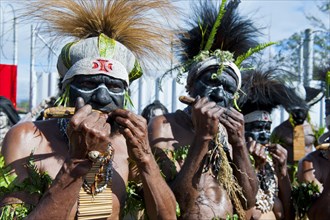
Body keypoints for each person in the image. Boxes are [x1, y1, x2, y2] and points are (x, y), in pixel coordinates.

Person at [0, 1, 176, 219]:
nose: (102, 98)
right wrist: (77, 160)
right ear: (66, 91)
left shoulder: (130, 146)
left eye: (113, 87)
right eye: (88, 84)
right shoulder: (28, 138)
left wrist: (145, 158)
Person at [148, 1, 263, 219]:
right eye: (211, 82)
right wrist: (203, 136)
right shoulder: (163, 125)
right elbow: (176, 204)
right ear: (190, 86)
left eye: (228, 88)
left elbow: (248, 200)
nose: (219, 94)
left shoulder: (232, 133)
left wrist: (238, 142)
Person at [238, 69, 302, 220]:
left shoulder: (271, 163)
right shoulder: (233, 161)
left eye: (267, 129)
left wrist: (283, 171)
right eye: (257, 128)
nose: (264, 135)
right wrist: (254, 167)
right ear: (242, 130)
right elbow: (247, 213)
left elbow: (289, 214)